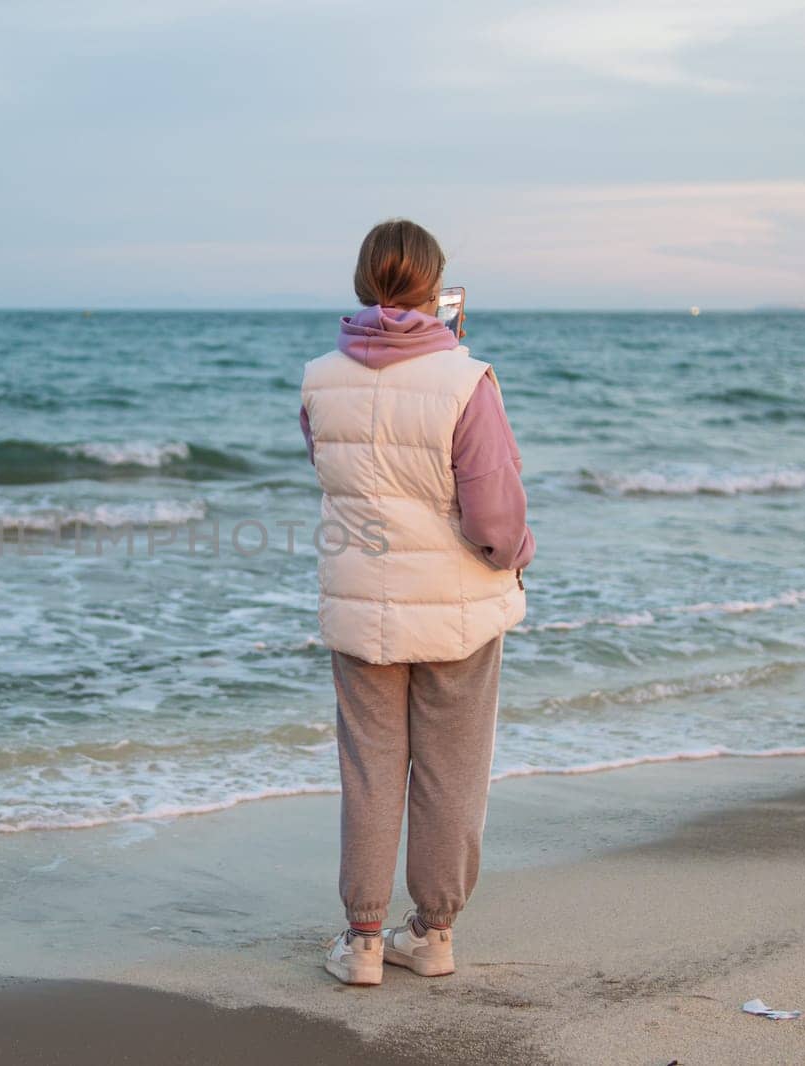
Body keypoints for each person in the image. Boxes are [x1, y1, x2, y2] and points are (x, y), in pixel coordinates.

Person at [298, 219, 535, 986]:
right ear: (434, 289)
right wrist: (517, 561)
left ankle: (362, 941)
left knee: (370, 770)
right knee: (451, 774)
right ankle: (432, 934)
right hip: (458, 609)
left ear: (365, 282)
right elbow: (494, 523)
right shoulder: (467, 379)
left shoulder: (318, 380)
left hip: (361, 602)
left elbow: (340, 477)